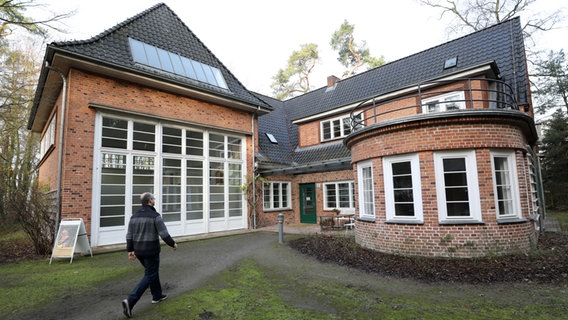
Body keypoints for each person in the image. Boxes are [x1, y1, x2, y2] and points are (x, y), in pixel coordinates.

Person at [122, 192, 177, 318]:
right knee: (150, 274)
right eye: (153, 198)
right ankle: (130, 301)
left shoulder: (134, 216)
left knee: (152, 272)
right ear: (150, 201)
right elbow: (164, 234)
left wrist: (130, 250)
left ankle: (157, 296)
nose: (154, 200)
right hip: (151, 251)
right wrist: (173, 244)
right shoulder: (155, 216)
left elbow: (129, 235)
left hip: (139, 252)